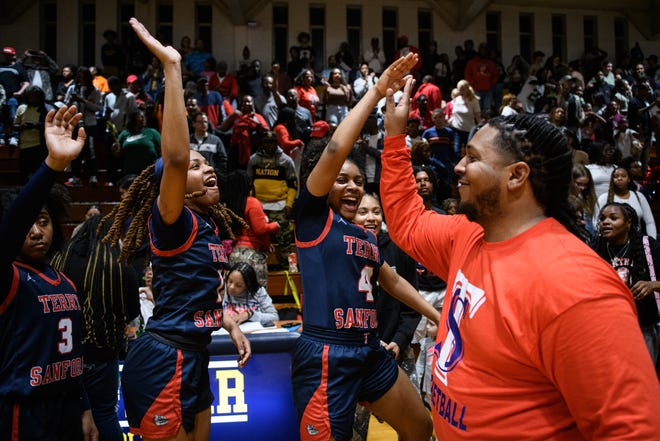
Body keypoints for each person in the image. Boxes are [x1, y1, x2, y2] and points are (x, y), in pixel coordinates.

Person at [379, 72, 660, 440]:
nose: (459, 167)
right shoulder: (471, 233)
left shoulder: (576, 285)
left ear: (516, 176)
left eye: (472, 158)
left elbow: (631, 430)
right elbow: (407, 221)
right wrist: (395, 135)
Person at [98, 18, 251, 440]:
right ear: (174, 188)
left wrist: (230, 324)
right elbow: (177, 157)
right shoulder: (172, 220)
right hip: (164, 358)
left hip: (195, 358)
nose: (209, 171)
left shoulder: (205, 227)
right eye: (196, 167)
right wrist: (172, 67)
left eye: (209, 165)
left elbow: (197, 296)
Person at [291, 52, 438, 441]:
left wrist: (436, 316)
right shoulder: (312, 218)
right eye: (342, 180)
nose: (353, 186)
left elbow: (390, 281)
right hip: (327, 354)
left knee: (421, 427)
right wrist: (375, 91)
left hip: (369, 349)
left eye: (358, 180)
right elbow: (336, 148)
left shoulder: (366, 234)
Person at [0, 104, 98, 440]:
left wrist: (85, 406)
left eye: (43, 222)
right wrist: (53, 165)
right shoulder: (8, 274)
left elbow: (72, 353)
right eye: (28, 224)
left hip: (67, 407)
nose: (36, 231)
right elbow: (12, 225)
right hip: (23, 410)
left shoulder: (65, 282)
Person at [52, 213, 141, 441]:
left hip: (62, 359)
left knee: (67, 417)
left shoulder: (57, 262)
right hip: (102, 355)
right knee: (104, 414)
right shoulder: (121, 267)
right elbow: (132, 313)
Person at [351, 193, 422, 440]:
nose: (371, 218)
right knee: (353, 430)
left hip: (397, 349)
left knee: (417, 426)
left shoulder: (399, 247)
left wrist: (399, 341)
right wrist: (372, 341)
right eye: (363, 212)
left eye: (376, 211)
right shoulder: (343, 249)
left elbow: (411, 303)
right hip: (358, 353)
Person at [591, 202, 660, 366]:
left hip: (643, 327)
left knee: (643, 377)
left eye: (613, 218)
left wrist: (653, 285)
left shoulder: (647, 246)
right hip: (607, 329)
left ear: (628, 223)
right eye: (602, 219)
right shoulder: (595, 249)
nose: (605, 222)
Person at [224, 169, 279, 289]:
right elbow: (260, 229)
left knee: (237, 296)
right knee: (258, 295)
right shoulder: (252, 202)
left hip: (235, 253)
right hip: (252, 255)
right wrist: (275, 225)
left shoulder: (229, 206)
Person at [594, 166, 656, 238]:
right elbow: (596, 221)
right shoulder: (604, 198)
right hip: (611, 240)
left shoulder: (639, 196)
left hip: (636, 240)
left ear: (629, 179)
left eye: (623, 176)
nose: (619, 178)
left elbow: (650, 222)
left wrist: (652, 241)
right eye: (616, 176)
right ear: (612, 180)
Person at [223, 262, 279, 327]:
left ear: (248, 286)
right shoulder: (221, 289)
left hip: (253, 333)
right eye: (230, 281)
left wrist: (250, 314)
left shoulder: (258, 292)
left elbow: (275, 317)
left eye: (238, 285)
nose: (231, 287)